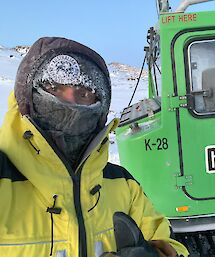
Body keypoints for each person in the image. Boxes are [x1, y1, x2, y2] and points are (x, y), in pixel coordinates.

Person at [0, 37, 188, 257]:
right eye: (56, 89)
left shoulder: (122, 185)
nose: (71, 103)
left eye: (84, 94)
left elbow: (168, 242)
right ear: (27, 96)